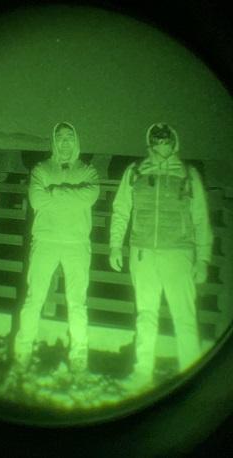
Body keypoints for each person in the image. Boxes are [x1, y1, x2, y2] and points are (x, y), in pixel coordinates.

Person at [109, 122, 213, 390]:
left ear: (174, 142)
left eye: (166, 140)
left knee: (184, 316)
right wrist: (114, 245)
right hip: (142, 253)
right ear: (150, 143)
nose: (161, 145)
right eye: (156, 140)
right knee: (146, 314)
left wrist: (203, 259)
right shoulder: (135, 172)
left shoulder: (188, 174)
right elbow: (121, 210)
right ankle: (143, 373)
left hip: (179, 253)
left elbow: (200, 218)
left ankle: (191, 373)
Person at [13, 121, 100, 372]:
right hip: (45, 240)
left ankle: (79, 353)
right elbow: (36, 200)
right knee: (34, 297)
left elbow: (90, 196)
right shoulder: (41, 168)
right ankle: (23, 349)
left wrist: (55, 192)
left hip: (77, 243)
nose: (65, 142)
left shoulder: (88, 171)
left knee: (77, 301)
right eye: (60, 138)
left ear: (77, 141)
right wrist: (70, 195)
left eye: (69, 138)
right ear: (54, 141)